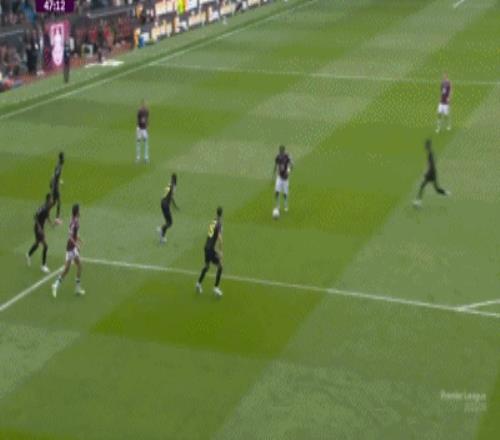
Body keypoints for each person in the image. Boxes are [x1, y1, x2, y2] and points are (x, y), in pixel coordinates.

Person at [51, 203, 85, 297]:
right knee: (67, 269)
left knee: (78, 266)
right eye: (79, 209)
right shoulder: (74, 222)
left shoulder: (75, 220)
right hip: (71, 248)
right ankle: (56, 285)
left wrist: (79, 239)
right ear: (77, 211)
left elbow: (74, 234)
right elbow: (70, 236)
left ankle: (76, 288)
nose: (80, 211)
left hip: (72, 247)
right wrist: (76, 244)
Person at [413, 139, 450, 207]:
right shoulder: (432, 153)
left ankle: (418, 202)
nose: (424, 147)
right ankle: (446, 193)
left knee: (423, 186)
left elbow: (432, 164)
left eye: (425, 145)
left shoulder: (430, 154)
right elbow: (434, 161)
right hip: (433, 172)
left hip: (431, 173)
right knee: (436, 189)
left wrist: (427, 173)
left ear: (428, 146)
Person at [196, 207, 224, 297]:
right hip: (211, 249)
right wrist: (220, 251)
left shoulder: (213, 222)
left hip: (206, 247)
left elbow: (211, 235)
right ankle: (216, 288)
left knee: (207, 266)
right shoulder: (219, 224)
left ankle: (198, 283)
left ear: (216, 213)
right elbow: (220, 239)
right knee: (220, 267)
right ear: (221, 214)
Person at [26, 193, 54, 273]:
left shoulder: (47, 207)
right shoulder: (44, 208)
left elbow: (47, 218)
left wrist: (53, 224)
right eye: (51, 199)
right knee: (45, 246)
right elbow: (35, 216)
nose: (52, 200)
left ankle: (28, 254)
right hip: (38, 229)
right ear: (48, 199)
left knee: (37, 244)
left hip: (40, 228)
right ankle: (43, 266)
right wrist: (39, 227)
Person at [157, 173, 178, 244]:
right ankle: (161, 228)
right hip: (166, 204)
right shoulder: (173, 186)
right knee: (170, 222)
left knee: (167, 221)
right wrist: (175, 206)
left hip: (162, 202)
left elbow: (168, 195)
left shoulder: (169, 184)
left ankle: (162, 238)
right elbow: (171, 197)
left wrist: (174, 205)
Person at [273, 145, 293, 213]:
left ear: (284, 151)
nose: (281, 153)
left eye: (282, 152)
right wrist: (274, 174)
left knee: (285, 193)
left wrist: (288, 171)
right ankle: (277, 205)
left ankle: (285, 205)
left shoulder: (287, 156)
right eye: (280, 152)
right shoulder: (277, 157)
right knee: (277, 192)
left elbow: (291, 165)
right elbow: (276, 165)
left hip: (285, 178)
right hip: (279, 177)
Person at [50, 152, 64, 223]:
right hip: (55, 186)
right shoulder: (59, 166)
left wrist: (58, 180)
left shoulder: (58, 164)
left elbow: (55, 176)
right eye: (63, 158)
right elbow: (55, 175)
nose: (64, 159)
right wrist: (55, 183)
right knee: (59, 202)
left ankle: (45, 213)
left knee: (54, 202)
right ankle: (57, 218)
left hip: (54, 184)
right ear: (61, 159)